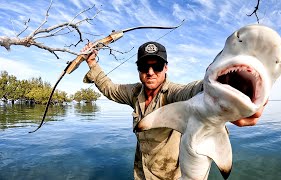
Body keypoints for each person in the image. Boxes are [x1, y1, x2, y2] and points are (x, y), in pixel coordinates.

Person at [82, 41, 266, 179]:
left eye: (157, 66)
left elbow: (195, 90)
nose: (151, 72)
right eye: (144, 66)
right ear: (138, 69)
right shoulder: (134, 92)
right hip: (141, 173)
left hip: (171, 176)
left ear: (166, 67)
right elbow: (110, 88)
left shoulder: (174, 94)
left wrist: (222, 91)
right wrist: (92, 64)